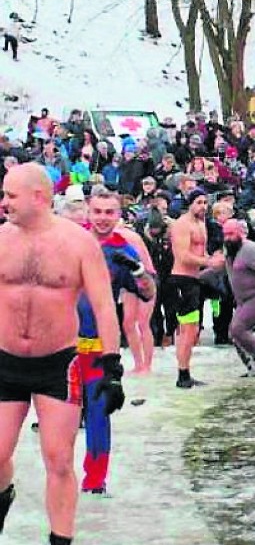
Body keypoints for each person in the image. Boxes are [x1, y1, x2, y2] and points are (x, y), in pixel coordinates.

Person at [0, 164, 123, 545]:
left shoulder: (78, 243)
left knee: (58, 457)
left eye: (10, 195)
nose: (3, 202)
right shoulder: (1, 240)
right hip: (5, 360)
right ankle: (5, 494)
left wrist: (112, 366)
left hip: (58, 363)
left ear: (38, 196)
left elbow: (105, 306)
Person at [76, 187, 156, 494]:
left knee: (98, 415)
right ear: (88, 211)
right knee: (61, 420)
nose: (102, 218)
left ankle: (95, 481)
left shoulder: (124, 248)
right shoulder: (73, 240)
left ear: (119, 215)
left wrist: (137, 271)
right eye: (97, 211)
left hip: (100, 348)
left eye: (109, 212)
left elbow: (148, 292)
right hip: (64, 347)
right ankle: (58, 481)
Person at [211, 218, 255, 375]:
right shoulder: (229, 249)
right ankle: (251, 367)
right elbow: (221, 267)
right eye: (225, 234)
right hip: (243, 300)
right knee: (234, 334)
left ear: (240, 233)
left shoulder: (250, 248)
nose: (228, 237)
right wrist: (198, 275)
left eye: (231, 234)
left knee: (238, 329)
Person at [168, 189, 223, 387]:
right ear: (190, 203)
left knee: (193, 330)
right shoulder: (182, 225)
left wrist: (213, 257)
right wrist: (209, 262)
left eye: (205, 202)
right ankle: (182, 375)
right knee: (187, 330)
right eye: (199, 202)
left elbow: (200, 251)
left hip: (194, 279)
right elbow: (183, 256)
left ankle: (186, 372)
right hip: (181, 279)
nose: (203, 206)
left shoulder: (201, 223)